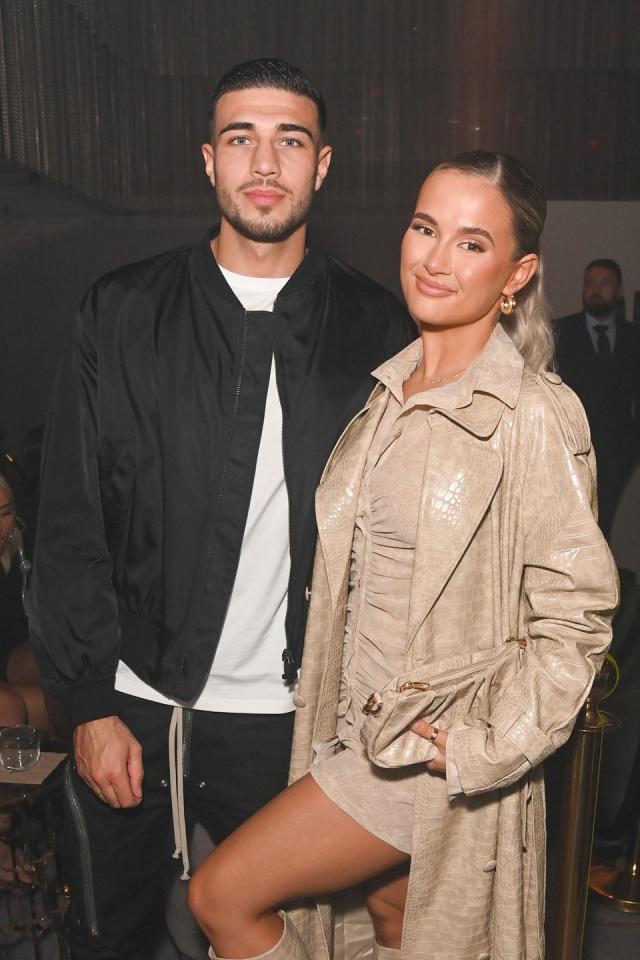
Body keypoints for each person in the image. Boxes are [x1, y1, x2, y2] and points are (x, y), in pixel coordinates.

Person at [27, 58, 415, 958]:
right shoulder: (121, 312)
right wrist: (86, 704)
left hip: (292, 723)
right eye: (242, 138)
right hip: (130, 703)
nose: (265, 162)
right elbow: (72, 520)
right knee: (110, 940)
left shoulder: (376, 328)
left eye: (291, 140)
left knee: (297, 940)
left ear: (323, 166)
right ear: (209, 160)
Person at [188, 152, 619, 960]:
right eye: (425, 228)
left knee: (220, 897)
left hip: (418, 763)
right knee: (393, 930)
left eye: (470, 242)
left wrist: (486, 743)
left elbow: (576, 619)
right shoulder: (389, 391)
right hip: (351, 730)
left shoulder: (532, 413)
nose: (433, 258)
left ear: (517, 274)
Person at [555, 259, 640, 537]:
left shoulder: (633, 337)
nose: (595, 290)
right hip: (569, 448)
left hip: (620, 453)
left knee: (610, 527)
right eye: (589, 283)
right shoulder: (560, 332)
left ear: (618, 290)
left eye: (603, 284)